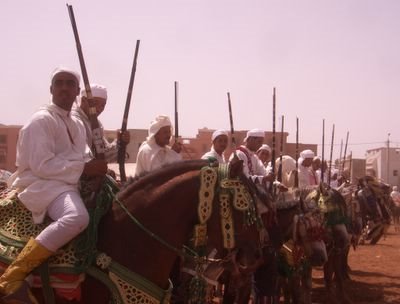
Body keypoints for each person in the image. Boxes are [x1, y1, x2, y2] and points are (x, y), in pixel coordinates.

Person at [0, 67, 108, 302]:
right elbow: (42, 165)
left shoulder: (77, 124)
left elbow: (83, 154)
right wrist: (85, 168)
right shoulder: (42, 120)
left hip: (68, 182)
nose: (64, 88)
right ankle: (14, 275)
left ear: (77, 92)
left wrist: (97, 165)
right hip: (43, 184)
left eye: (70, 84)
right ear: (51, 89)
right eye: (59, 83)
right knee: (77, 218)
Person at [72, 84, 131, 163]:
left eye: (103, 105)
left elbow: (104, 153)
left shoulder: (97, 124)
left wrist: (120, 141)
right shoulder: (74, 120)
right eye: (95, 103)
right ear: (83, 101)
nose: (99, 108)